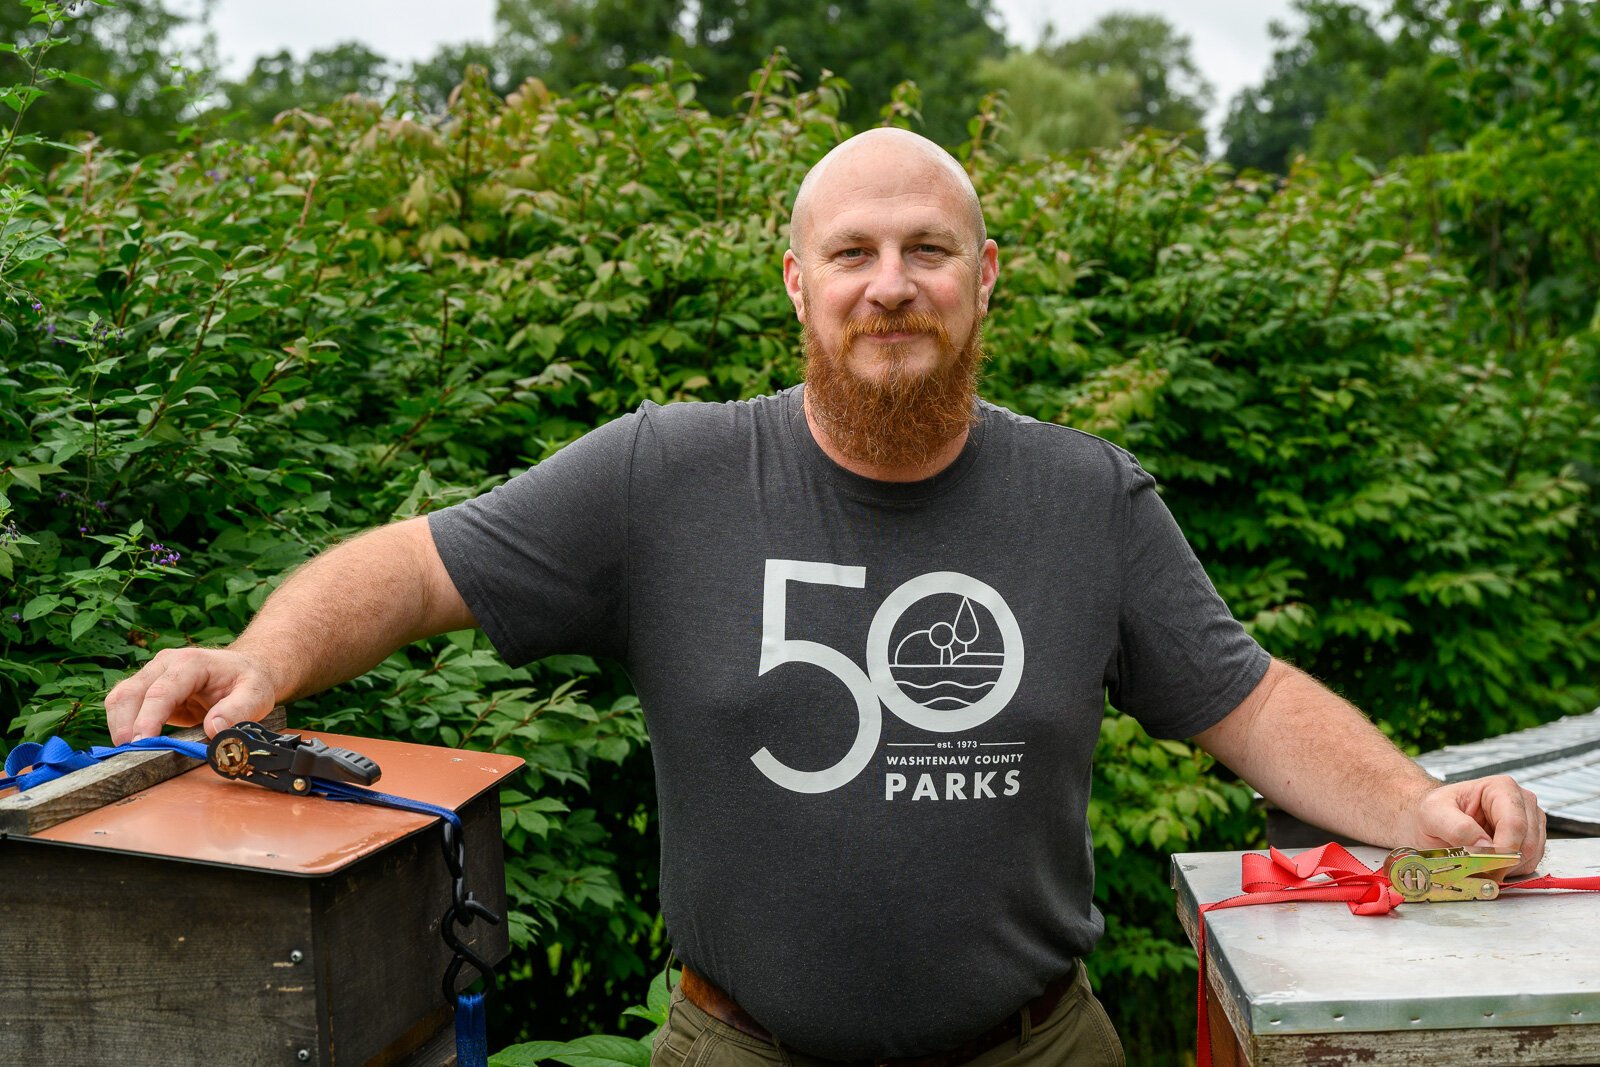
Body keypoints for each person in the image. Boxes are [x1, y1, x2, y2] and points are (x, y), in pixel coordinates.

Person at [105, 128, 1546, 1066]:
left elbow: (1249, 699)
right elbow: (416, 566)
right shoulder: (663, 474)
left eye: (928, 251)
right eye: (854, 253)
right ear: (798, 284)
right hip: (738, 1050)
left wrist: (1422, 811)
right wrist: (261, 661)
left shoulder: (1085, 496)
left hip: (1037, 1049)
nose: (890, 285)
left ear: (986, 279)